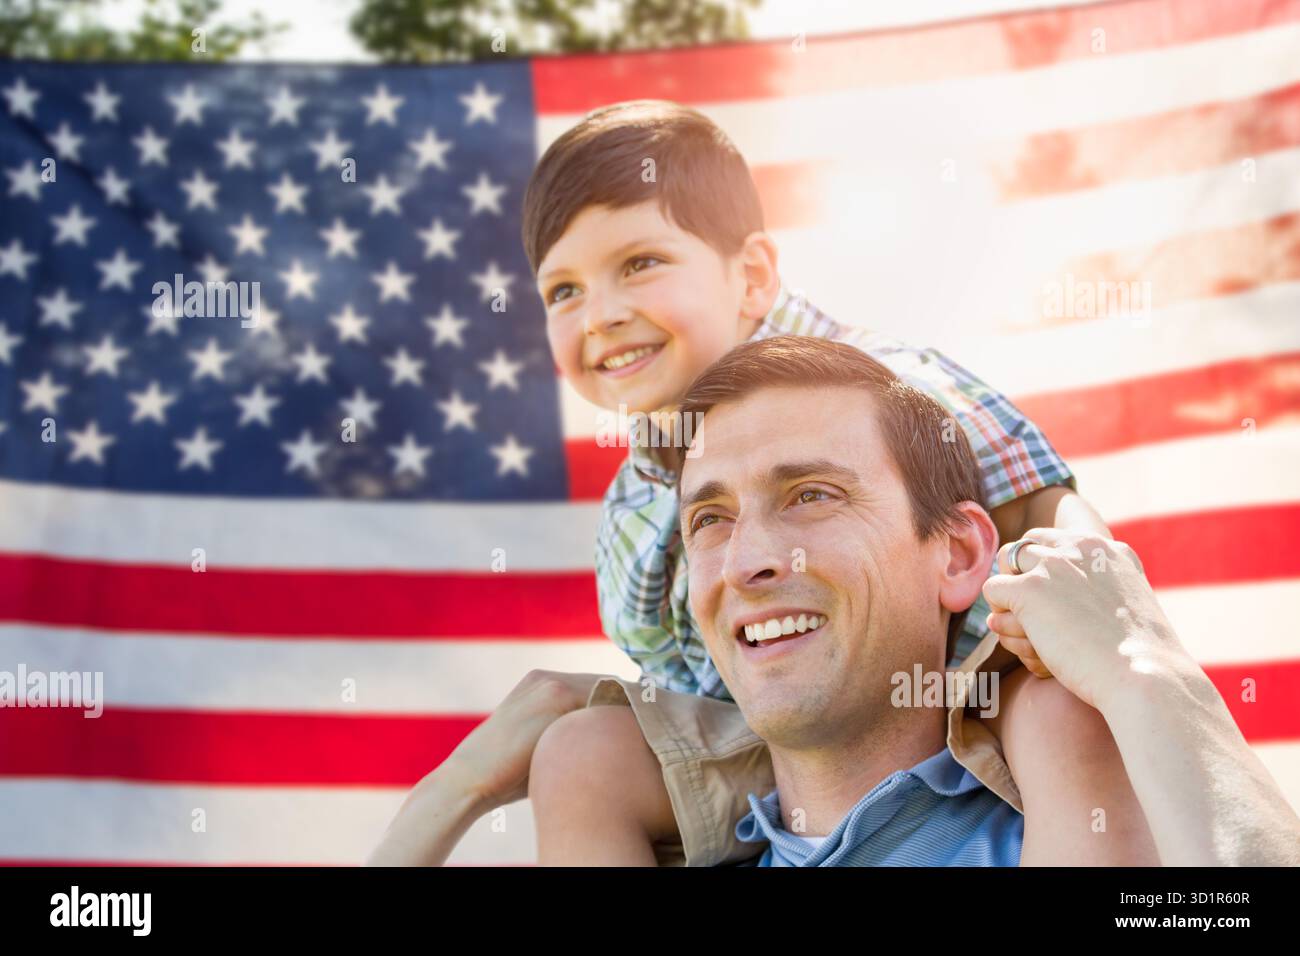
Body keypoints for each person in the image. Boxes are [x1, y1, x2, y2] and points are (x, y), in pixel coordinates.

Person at [368, 338, 1300, 866]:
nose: (748, 562)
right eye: (711, 520)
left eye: (812, 494)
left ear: (961, 552)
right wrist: (453, 793)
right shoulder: (655, 842)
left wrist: (1145, 668)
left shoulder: (1078, 817)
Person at [520, 99, 1147, 864]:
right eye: (564, 291)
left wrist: (1112, 643)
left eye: (639, 264)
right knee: (583, 756)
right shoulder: (631, 508)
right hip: (780, 725)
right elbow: (675, 677)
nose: (601, 315)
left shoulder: (883, 386)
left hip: (970, 694)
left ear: (750, 276)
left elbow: (1050, 507)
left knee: (1061, 719)